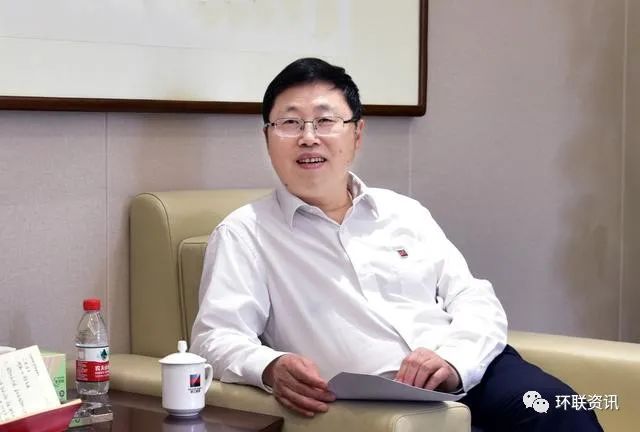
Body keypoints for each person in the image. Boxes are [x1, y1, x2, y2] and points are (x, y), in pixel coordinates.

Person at [191, 57, 602, 431]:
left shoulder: (403, 212)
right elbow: (215, 338)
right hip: (381, 402)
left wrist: (454, 360)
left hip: (471, 369)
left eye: (325, 120)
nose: (309, 137)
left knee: (564, 412)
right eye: (290, 123)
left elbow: (472, 296)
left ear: (357, 134)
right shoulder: (245, 233)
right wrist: (270, 365)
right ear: (268, 138)